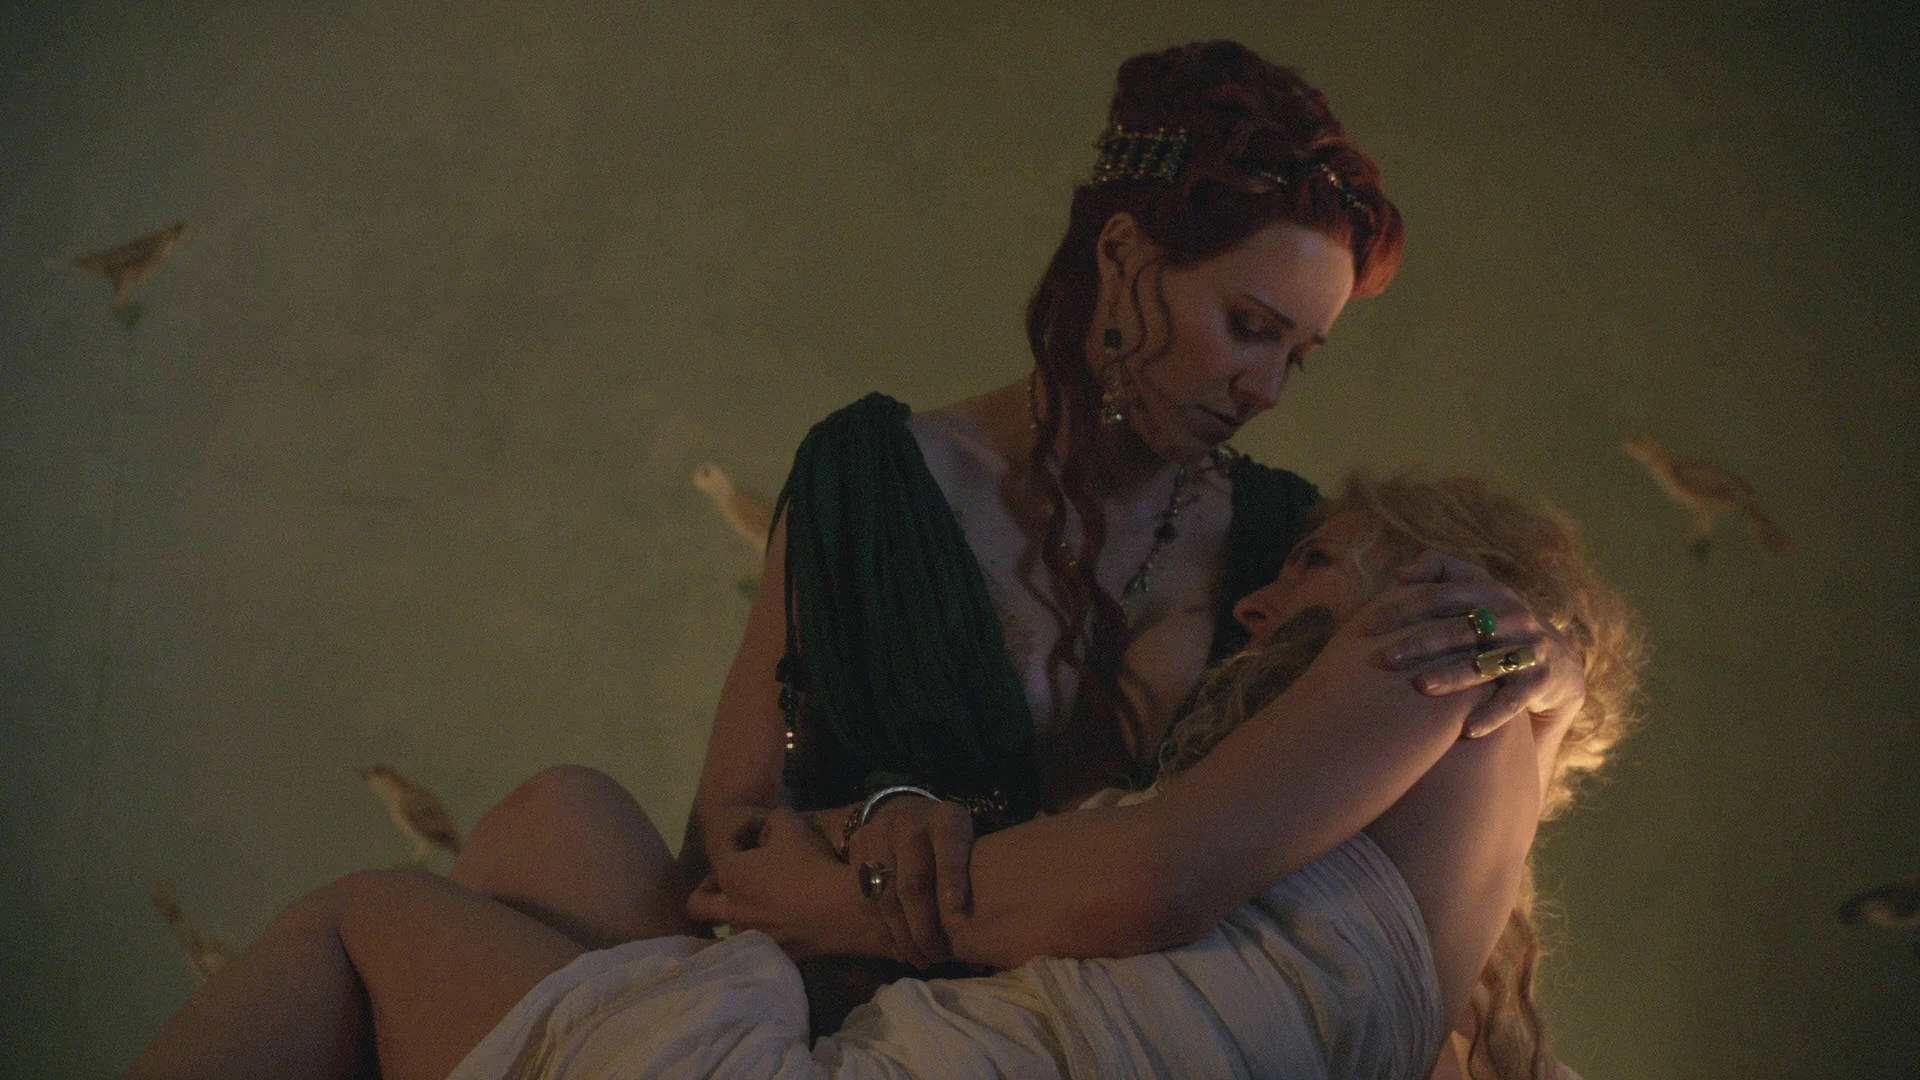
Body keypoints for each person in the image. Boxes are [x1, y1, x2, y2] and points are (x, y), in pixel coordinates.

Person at [120, 471, 1642, 1080]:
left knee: (363, 920)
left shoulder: (1455, 639)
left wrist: (840, 896)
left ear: (1447, 568)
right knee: (555, 826)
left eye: (1313, 561)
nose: (1259, 606)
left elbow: (1146, 877)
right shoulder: (1425, 898)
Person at [666, 41, 1589, 1029]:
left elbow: (1426, 766)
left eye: (1297, 356)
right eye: (1248, 326)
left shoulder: (1283, 536)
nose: (1266, 390)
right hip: (848, 1019)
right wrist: (874, 823)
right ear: (1120, 257)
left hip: (1140, 1033)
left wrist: (1556, 675)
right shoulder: (872, 482)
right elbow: (725, 838)